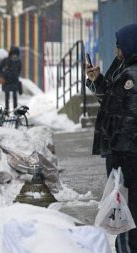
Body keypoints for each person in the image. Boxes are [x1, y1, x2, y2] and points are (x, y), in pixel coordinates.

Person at [87, 23, 137, 253]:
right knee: (122, 208)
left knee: (127, 211)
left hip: (127, 154)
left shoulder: (131, 74)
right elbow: (110, 100)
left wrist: (119, 154)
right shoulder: (121, 66)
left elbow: (129, 118)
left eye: (119, 45)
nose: (116, 50)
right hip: (119, 150)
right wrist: (97, 80)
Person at [0, 46, 22, 111]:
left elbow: (19, 70)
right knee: (7, 96)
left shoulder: (18, 61)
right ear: (11, 54)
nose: (15, 55)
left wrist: (16, 75)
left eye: (16, 54)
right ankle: (7, 110)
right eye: (13, 54)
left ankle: (15, 110)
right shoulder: (6, 60)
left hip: (14, 80)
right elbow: (0, 68)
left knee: (15, 96)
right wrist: (4, 75)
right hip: (7, 81)